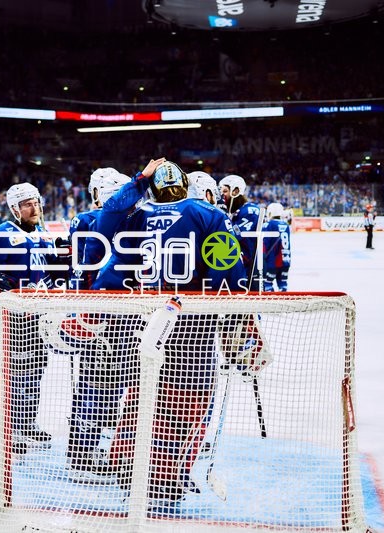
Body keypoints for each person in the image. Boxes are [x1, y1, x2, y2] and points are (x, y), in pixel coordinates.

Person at [95, 159, 247, 502]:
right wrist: (238, 313)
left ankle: (125, 463)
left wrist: (138, 181)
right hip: (193, 322)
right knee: (189, 402)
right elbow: (228, 270)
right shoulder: (207, 213)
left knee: (142, 394)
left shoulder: (138, 215)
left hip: (146, 321)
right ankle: (167, 476)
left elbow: (107, 224)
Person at [0, 182, 59, 453]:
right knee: (17, 372)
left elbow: (50, 272)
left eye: (36, 202)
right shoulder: (3, 234)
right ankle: (12, 428)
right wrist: (2, 286)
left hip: (38, 314)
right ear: (15, 208)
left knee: (36, 370)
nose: (34, 208)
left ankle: (27, 423)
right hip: (13, 315)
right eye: (27, 204)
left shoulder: (41, 232)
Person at [223, 174, 262, 291]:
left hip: (251, 271)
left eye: (225, 191)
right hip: (240, 269)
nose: (222, 195)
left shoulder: (251, 210)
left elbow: (232, 236)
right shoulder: (236, 212)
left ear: (235, 191)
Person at [262, 202, 292, 292]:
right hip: (286, 261)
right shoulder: (286, 226)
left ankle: (271, 305)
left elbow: (264, 244)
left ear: (270, 213)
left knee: (267, 284)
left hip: (273, 262)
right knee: (283, 284)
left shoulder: (268, 225)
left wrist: (262, 257)